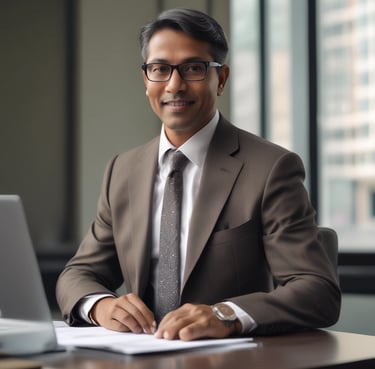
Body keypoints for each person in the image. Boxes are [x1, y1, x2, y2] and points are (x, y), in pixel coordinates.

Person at [56, 8, 341, 341]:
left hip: (231, 359)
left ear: (221, 79)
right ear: (146, 80)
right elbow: (79, 273)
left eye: (193, 68)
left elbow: (318, 290)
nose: (174, 85)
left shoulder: (270, 168)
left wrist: (226, 315)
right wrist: (101, 305)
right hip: (141, 358)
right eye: (159, 69)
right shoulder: (123, 170)